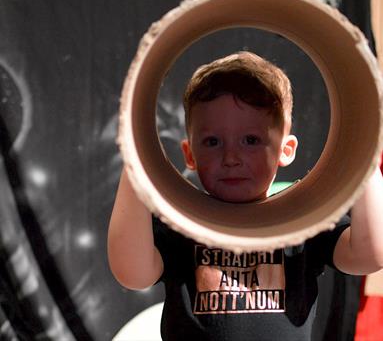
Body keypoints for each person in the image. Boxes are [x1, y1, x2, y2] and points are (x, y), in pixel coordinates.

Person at [108, 51, 383, 340]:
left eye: (251, 140)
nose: (231, 157)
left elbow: (370, 254)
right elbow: (132, 274)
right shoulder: (182, 223)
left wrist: (361, 150)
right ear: (190, 154)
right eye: (212, 142)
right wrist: (135, 160)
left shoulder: (304, 220)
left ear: (285, 150)